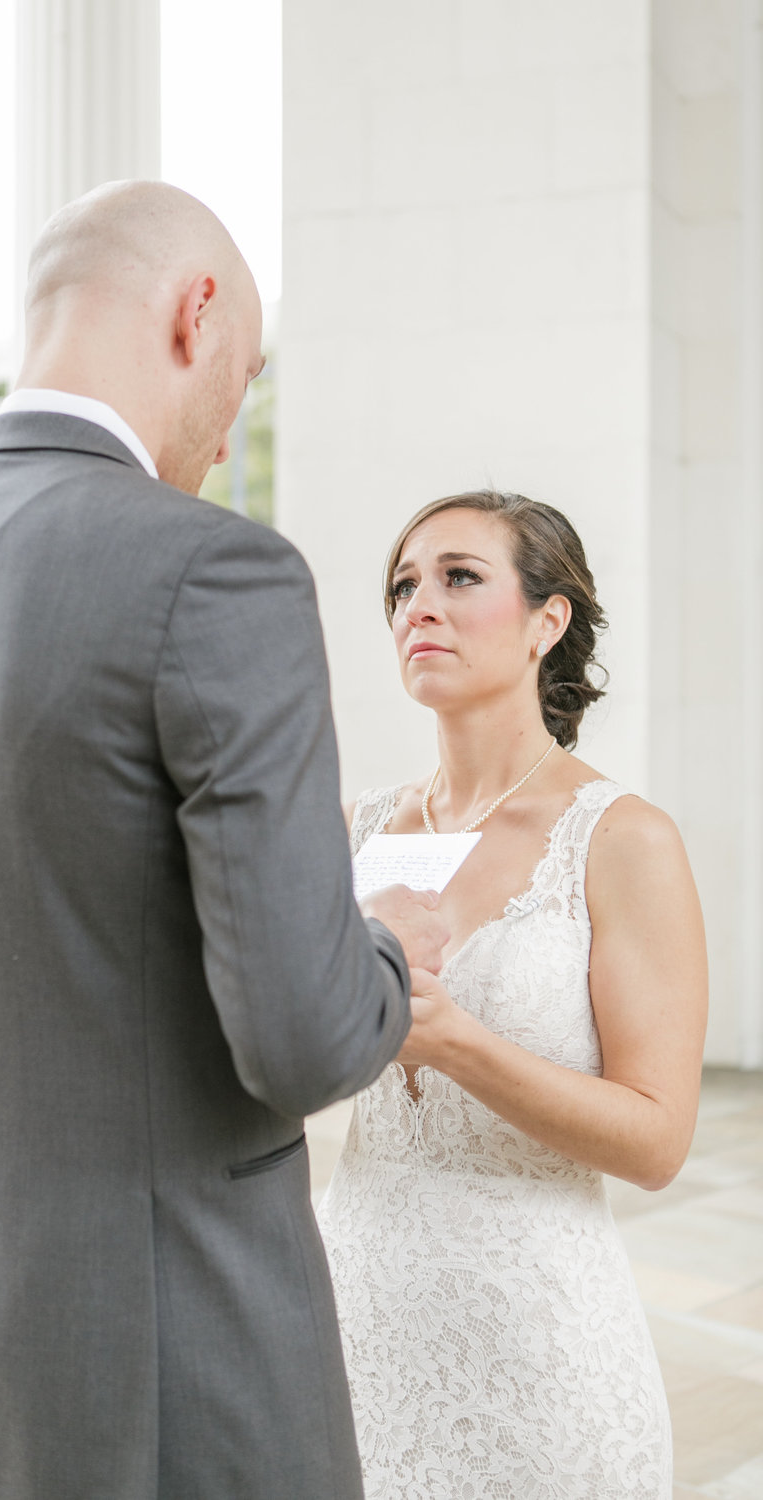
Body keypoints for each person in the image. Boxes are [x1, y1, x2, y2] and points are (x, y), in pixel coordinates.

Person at [0, 182, 449, 1500]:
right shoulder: (218, 572)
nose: (229, 425)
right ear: (196, 314)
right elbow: (307, 1037)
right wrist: (379, 946)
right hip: (179, 1382)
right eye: (245, 376)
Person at [317, 490, 708, 1499]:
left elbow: (656, 1141)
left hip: (536, 1351)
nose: (419, 607)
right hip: (350, 1322)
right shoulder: (349, 832)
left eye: (458, 578)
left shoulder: (622, 840)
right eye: (403, 586)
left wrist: (450, 1039)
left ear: (548, 620)